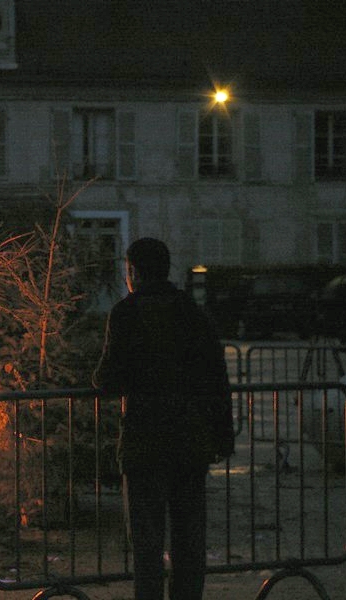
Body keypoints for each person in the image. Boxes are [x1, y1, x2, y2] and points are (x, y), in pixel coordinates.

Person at [92, 238, 234, 600]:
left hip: (144, 443)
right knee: (189, 542)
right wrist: (222, 437)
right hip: (190, 442)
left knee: (147, 545)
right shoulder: (192, 312)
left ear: (134, 272)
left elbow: (109, 380)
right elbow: (217, 377)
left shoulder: (126, 313)